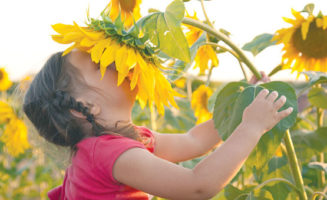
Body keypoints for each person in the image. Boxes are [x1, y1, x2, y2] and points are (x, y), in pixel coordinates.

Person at [23, 49, 293, 200]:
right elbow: (198, 186)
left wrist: (240, 107)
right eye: (99, 64)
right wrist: (251, 127)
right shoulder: (108, 154)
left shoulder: (118, 144)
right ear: (84, 107)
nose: (115, 60)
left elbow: (193, 141)